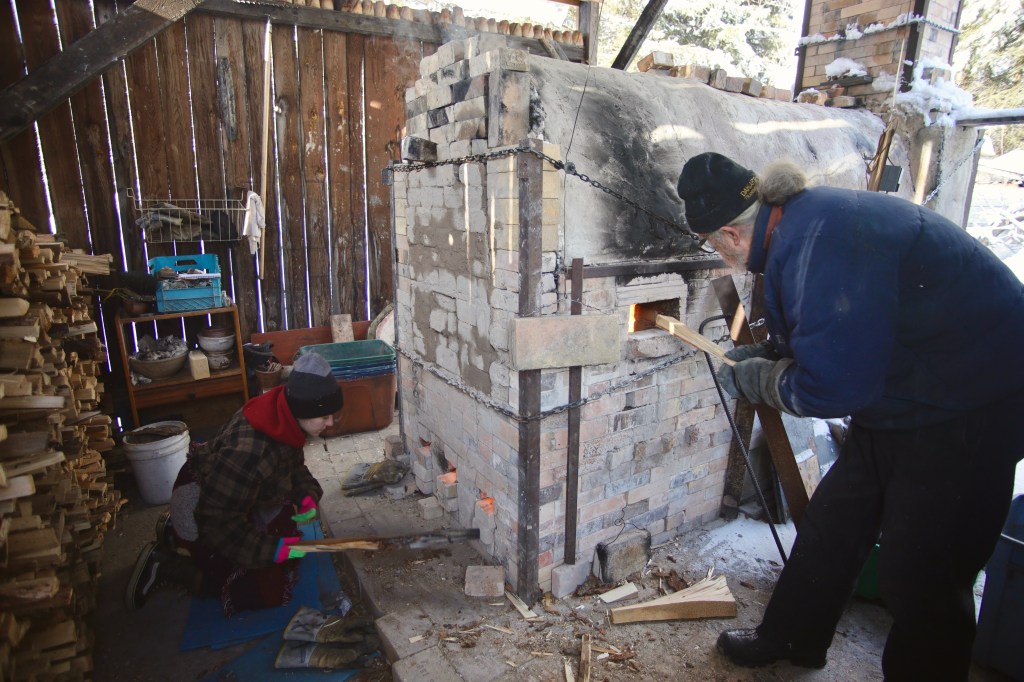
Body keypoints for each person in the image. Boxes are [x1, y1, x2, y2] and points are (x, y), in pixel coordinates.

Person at [676, 151, 1024, 680]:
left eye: (713, 246)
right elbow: (831, 333)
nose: (718, 255)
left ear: (731, 233)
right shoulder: (797, 228)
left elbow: (834, 386)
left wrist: (762, 381)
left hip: (972, 406)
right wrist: (772, 357)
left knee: (924, 570)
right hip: (904, 392)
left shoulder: (827, 240)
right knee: (831, 527)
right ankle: (791, 639)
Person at [125, 352, 343, 614]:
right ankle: (168, 564)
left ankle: (173, 531)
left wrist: (306, 496)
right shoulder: (251, 452)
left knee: (286, 530)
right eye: (324, 416)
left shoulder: (283, 416)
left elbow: (293, 468)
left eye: (333, 415)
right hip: (204, 509)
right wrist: (272, 551)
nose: (330, 423)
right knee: (264, 588)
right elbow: (217, 521)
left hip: (228, 492)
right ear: (303, 409)